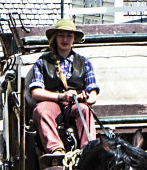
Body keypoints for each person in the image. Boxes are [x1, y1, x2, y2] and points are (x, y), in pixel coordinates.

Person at [29, 17, 100, 155]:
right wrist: (61, 96)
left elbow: (93, 94)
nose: (65, 39)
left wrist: (85, 98)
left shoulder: (84, 62)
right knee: (41, 110)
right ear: (55, 38)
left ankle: (88, 151)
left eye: (69, 36)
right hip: (52, 103)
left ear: (74, 39)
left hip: (75, 105)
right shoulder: (42, 62)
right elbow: (36, 92)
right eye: (61, 35)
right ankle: (56, 150)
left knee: (86, 110)